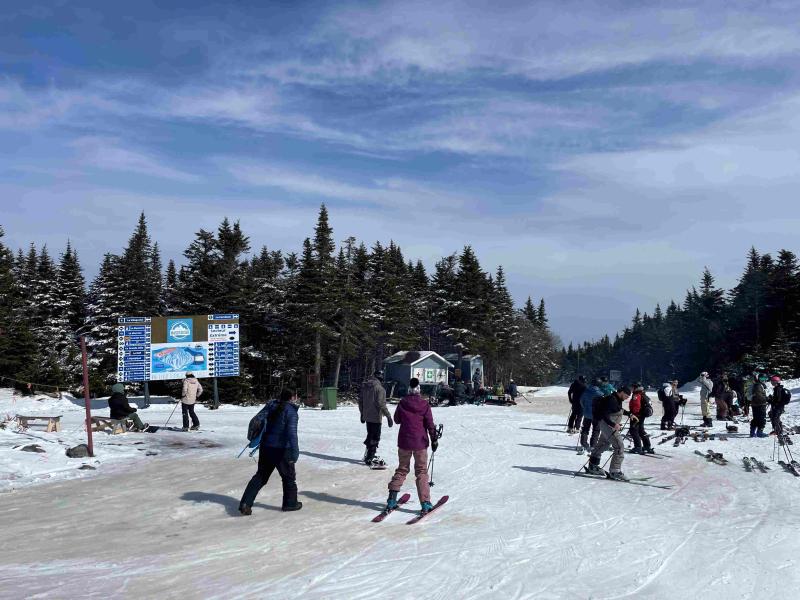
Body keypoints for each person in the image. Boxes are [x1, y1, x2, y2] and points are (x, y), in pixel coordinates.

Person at [239, 388, 302, 514]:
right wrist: (295, 452)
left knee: (261, 476)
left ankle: (246, 503)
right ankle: (290, 504)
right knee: (289, 478)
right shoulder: (290, 411)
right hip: (282, 449)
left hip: (266, 447)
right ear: (292, 397)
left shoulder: (271, 405)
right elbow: (291, 434)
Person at [386, 377, 438, 514]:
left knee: (402, 469)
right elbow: (429, 424)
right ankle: (425, 503)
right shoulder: (424, 404)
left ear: (409, 389)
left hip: (404, 442)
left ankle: (391, 500)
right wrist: (434, 439)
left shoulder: (403, 403)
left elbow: (397, 420)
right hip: (420, 442)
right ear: (419, 390)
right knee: (421, 471)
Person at [585, 386, 633, 481]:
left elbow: (618, 409)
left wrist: (629, 414)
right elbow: (604, 414)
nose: (627, 398)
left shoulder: (616, 399)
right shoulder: (611, 399)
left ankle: (593, 466)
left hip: (607, 425)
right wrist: (613, 424)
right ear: (622, 392)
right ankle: (615, 471)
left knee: (603, 445)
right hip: (608, 425)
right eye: (627, 395)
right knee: (619, 446)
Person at [358, 370, 393, 466]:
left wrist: (362, 413)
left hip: (367, 416)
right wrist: (388, 416)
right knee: (375, 436)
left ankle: (369, 454)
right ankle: (370, 457)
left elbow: (361, 401)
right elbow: (380, 403)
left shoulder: (365, 387)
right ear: (381, 378)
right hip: (375, 417)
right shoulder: (380, 389)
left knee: (370, 434)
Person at [628, 383, 654, 454]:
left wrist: (633, 413)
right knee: (641, 430)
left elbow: (637, 405)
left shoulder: (636, 394)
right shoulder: (643, 393)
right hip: (642, 415)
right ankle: (647, 446)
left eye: (632, 387)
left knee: (633, 430)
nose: (631, 389)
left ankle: (638, 447)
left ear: (636, 387)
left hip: (637, 415)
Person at [578, 378, 602, 453]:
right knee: (596, 430)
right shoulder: (600, 394)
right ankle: (593, 445)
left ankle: (583, 443)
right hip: (596, 415)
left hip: (587, 414)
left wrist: (585, 408)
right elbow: (602, 405)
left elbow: (581, 401)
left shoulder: (586, 391)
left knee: (585, 429)